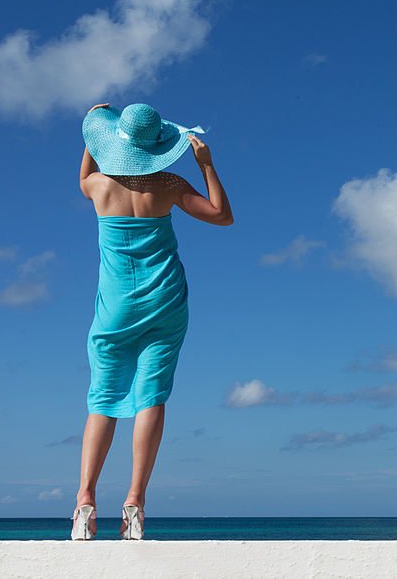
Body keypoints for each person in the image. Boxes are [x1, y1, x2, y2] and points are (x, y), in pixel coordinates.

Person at [70, 102, 233, 540]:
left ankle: (85, 500)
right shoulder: (168, 183)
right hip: (165, 302)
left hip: (115, 308)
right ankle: (135, 501)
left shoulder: (98, 187)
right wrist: (207, 166)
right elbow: (222, 215)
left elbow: (86, 168)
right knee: (151, 397)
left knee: (103, 399)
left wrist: (94, 130)